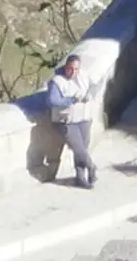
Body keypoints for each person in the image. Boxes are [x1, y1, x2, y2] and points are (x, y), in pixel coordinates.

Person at [42, 53, 97, 188]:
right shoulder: (56, 81)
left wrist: (90, 94)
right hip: (66, 120)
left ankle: (80, 177)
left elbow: (94, 85)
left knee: (83, 147)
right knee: (78, 148)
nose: (73, 72)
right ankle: (91, 167)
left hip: (83, 117)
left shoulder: (84, 76)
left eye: (76, 69)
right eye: (70, 69)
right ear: (65, 66)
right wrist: (71, 100)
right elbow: (52, 100)